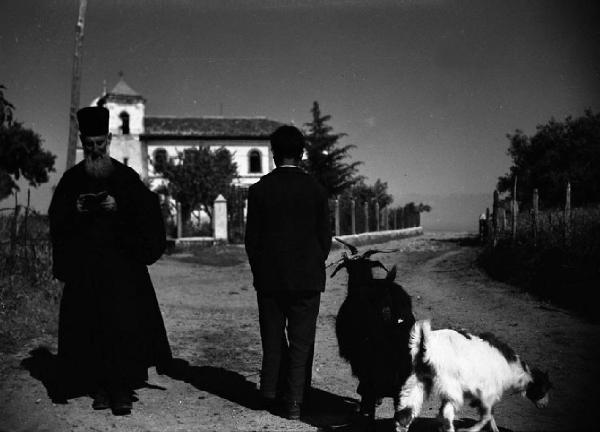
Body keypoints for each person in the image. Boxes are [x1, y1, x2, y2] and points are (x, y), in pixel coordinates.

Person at [48, 106, 172, 415]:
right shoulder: (71, 180)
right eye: (89, 145)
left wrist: (120, 207)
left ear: (110, 140)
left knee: (123, 328)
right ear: (82, 141)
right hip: (86, 272)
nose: (94, 151)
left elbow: (148, 214)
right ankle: (100, 388)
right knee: (90, 329)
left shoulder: (126, 178)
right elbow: (57, 221)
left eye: (100, 144)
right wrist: (74, 210)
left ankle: (122, 391)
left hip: (122, 271)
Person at [245, 125, 332, 420]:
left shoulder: (258, 191)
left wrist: (262, 270)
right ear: (302, 154)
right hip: (307, 278)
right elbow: (324, 239)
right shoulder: (317, 191)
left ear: (273, 154)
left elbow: (251, 241)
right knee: (301, 341)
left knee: (272, 337)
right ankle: (295, 402)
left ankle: (269, 394)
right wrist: (312, 263)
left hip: (270, 279)